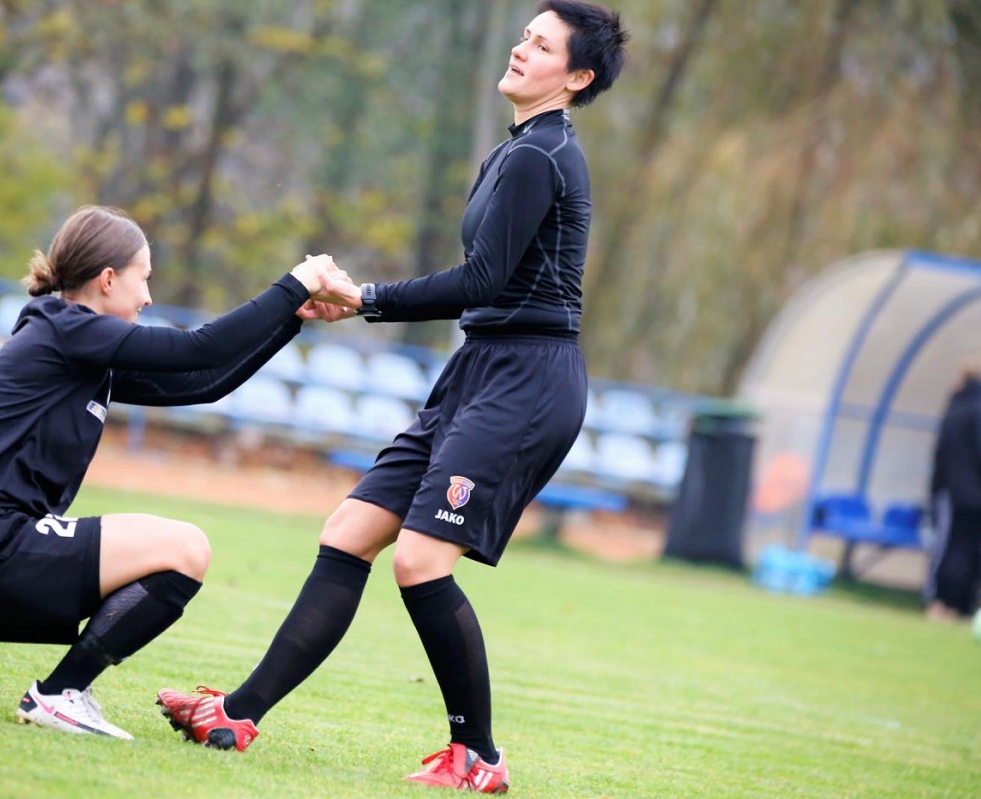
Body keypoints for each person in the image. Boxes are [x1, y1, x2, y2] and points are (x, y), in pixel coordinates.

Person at [157, 3, 628, 791]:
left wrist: (365, 297)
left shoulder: (542, 155)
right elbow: (486, 284)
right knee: (349, 533)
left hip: (527, 382)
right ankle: (235, 714)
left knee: (418, 560)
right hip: (479, 371)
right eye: (524, 35)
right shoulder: (515, 151)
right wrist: (365, 304)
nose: (521, 48)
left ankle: (477, 755)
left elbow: (482, 281)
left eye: (541, 45)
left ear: (577, 76)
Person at [0, 205, 357, 740]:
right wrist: (295, 282)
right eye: (143, 278)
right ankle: (60, 694)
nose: (147, 297)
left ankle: (64, 692)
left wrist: (292, 318)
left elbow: (203, 381)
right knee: (184, 547)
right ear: (107, 279)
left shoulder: (77, 344)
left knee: (182, 550)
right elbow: (201, 347)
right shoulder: (66, 330)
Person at [926, 355, 981, 621]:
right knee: (963, 550)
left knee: (957, 549)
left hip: (958, 493)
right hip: (978, 496)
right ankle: (951, 603)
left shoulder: (960, 405)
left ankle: (949, 604)